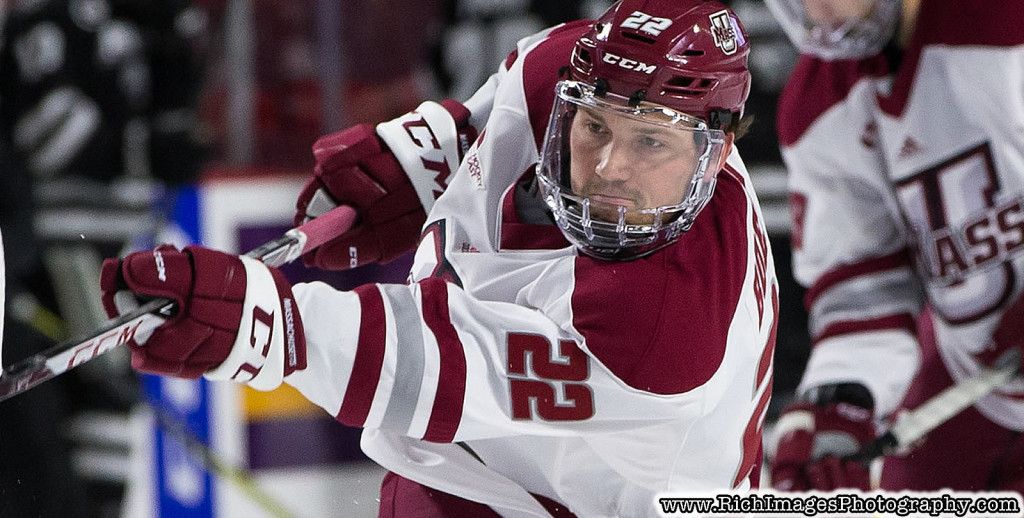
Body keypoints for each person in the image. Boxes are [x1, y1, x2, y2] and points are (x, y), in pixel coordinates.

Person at [100, 0, 779, 516]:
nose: (607, 166)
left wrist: (272, 325)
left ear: (714, 155)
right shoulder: (562, 71)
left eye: (650, 145)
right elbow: (501, 103)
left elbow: (446, 364)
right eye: (594, 128)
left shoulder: (673, 332)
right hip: (469, 477)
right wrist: (426, 157)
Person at [765, 0, 1024, 493]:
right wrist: (844, 400)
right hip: (973, 375)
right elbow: (864, 292)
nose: (815, 10)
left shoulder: (1007, 21)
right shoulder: (818, 105)